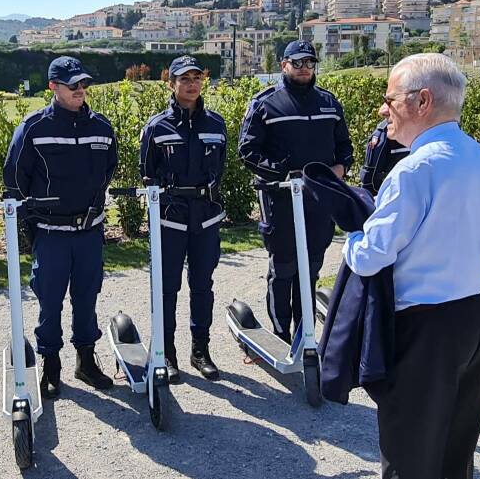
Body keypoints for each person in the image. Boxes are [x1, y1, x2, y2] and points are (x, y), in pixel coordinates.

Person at [343, 53, 480, 479]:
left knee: (410, 449)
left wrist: (352, 236)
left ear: (422, 101)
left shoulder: (413, 171)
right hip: (478, 314)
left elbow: (370, 257)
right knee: (457, 444)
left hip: (425, 326)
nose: (384, 110)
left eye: (390, 99)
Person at [3, 56, 117, 398]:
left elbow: (108, 169)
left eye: (83, 84)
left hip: (89, 233)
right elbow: (14, 179)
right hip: (51, 233)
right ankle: (51, 365)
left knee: (87, 299)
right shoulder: (34, 127)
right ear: (53, 87)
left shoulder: (102, 127)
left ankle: (86, 360)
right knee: (49, 302)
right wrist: (32, 223)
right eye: (73, 86)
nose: (80, 90)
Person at [238, 40, 353, 342]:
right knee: (285, 266)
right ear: (284, 65)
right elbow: (248, 151)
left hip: (319, 199)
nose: (304, 69)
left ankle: (306, 332)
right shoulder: (265, 103)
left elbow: (345, 147)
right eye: (297, 63)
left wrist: (339, 170)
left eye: (309, 63)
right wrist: (281, 172)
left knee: (312, 266)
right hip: (280, 198)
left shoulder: (329, 103)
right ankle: (280, 334)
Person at [139, 55, 226, 383]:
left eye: (196, 78)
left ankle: (200, 350)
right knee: (166, 288)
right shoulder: (156, 126)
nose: (191, 84)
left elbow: (220, 168)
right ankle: (167, 352)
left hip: (204, 217)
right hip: (170, 218)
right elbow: (146, 172)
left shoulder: (216, 124)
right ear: (171, 83)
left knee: (203, 285)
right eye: (184, 79)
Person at [358, 118, 408, 196]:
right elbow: (370, 175)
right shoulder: (384, 131)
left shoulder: (386, 129)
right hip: (390, 195)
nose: (382, 111)